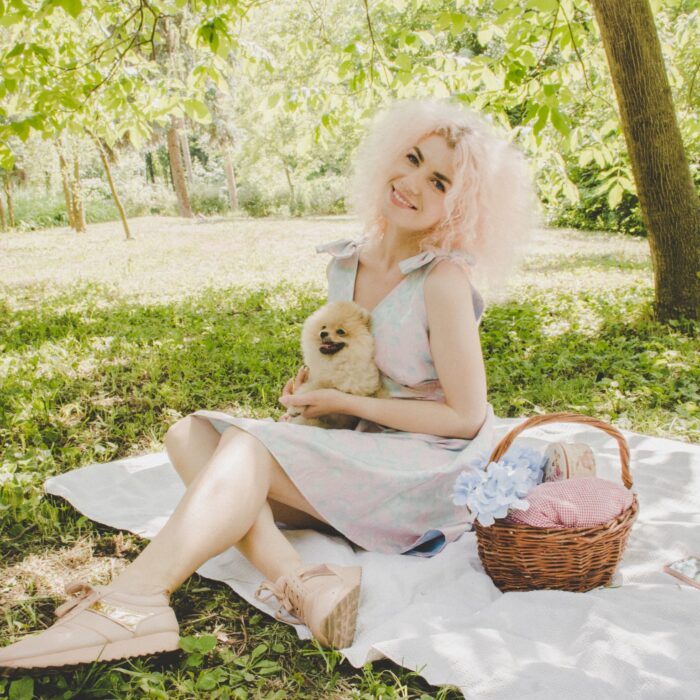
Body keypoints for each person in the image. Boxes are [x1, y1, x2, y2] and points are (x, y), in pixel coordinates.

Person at [0, 99, 535, 669]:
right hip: (359, 444)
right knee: (189, 435)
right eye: (410, 159)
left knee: (246, 450)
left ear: (463, 207)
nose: (411, 183)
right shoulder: (345, 263)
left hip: (426, 469)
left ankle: (134, 601)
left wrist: (340, 400)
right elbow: (360, 356)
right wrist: (318, 387)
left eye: (440, 181)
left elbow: (465, 418)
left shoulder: (444, 281)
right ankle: (306, 584)